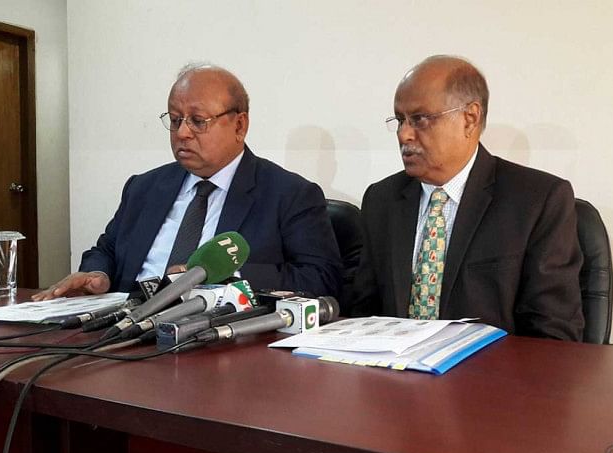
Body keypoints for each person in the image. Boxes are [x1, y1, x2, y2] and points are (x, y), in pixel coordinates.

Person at [34, 64, 342, 301]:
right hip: (124, 327)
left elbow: (321, 279)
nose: (182, 133)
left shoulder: (289, 194)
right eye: (175, 119)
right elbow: (107, 249)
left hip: (214, 339)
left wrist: (221, 274)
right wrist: (97, 273)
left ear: (239, 125)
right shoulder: (144, 188)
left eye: (197, 121)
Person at [345, 55, 584, 341]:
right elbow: (364, 316)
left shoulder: (537, 201)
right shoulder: (381, 200)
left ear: (470, 118)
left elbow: (553, 335)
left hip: (492, 368)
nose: (404, 134)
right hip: (395, 366)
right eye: (400, 120)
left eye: (419, 119)